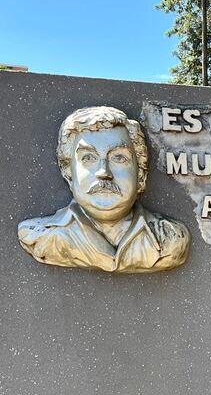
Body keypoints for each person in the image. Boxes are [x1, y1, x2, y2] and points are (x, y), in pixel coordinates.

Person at [18, 106, 189, 273]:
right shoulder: (39, 237)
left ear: (141, 175)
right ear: (69, 174)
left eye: (119, 158)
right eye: (88, 158)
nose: (103, 172)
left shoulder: (170, 239)